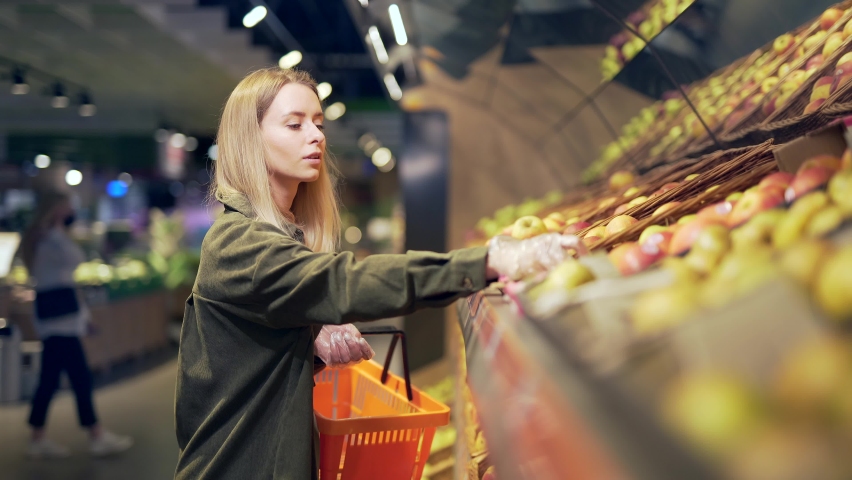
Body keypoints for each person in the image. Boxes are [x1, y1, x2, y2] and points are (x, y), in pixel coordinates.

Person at [174, 68, 574, 479]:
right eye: (294, 124)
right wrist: (485, 263)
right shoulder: (238, 244)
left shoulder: (272, 236)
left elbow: (244, 366)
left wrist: (306, 338)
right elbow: (344, 282)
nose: (316, 136)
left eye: (318, 123)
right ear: (249, 139)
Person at [19, 193, 133, 458]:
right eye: (68, 205)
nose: (72, 209)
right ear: (57, 208)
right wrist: (59, 228)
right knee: (78, 378)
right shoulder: (49, 238)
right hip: (59, 321)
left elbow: (67, 277)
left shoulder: (45, 237)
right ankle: (95, 434)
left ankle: (40, 438)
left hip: (59, 319)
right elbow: (75, 260)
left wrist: (84, 319)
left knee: (51, 380)